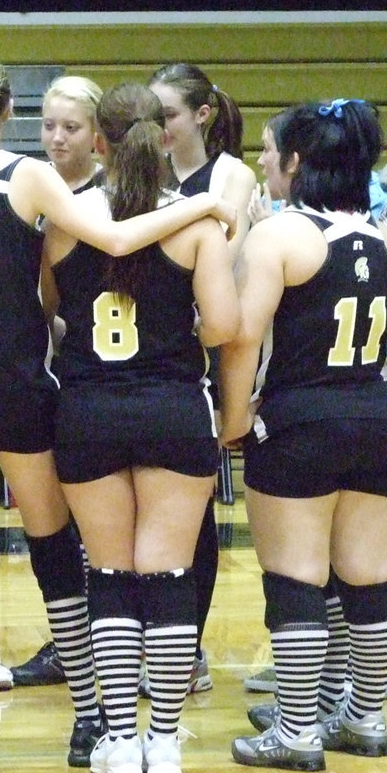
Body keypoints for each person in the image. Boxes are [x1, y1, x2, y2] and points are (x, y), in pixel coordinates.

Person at [0, 52, 236, 773]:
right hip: (17, 379)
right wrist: (202, 206)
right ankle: (90, 718)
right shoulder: (29, 176)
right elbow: (115, 238)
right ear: (10, 110)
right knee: (56, 548)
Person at [221, 99, 387, 772]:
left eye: (269, 152)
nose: (261, 162)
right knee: (369, 577)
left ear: (296, 163)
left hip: (297, 421)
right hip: (369, 416)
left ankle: (295, 731)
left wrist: (231, 420)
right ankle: (364, 719)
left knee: (296, 579)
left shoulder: (280, 237)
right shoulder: (384, 240)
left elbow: (242, 336)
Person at [42, 82, 239, 773]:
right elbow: (221, 327)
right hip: (171, 409)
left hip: (89, 411)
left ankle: (120, 739)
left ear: (99, 142)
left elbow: (49, 304)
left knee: (112, 575)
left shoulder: (68, 219)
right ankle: (165, 742)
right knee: (169, 573)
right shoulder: (196, 225)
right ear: (162, 140)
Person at [147, 62, 257, 695]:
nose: (160, 130)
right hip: (158, 347)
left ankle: (187, 649)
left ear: (202, 116)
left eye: (169, 117)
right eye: (153, 119)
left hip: (217, 342)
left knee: (195, 508)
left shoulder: (231, 175)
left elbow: (228, 251)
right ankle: (149, 637)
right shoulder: (149, 171)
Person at [11, 73, 104, 690]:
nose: (55, 138)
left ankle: (107, 642)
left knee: (99, 524)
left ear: (98, 135)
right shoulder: (27, 190)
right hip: (42, 376)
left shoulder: (110, 198)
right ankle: (73, 642)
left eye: (70, 127)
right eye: (47, 125)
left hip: (101, 375)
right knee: (51, 519)